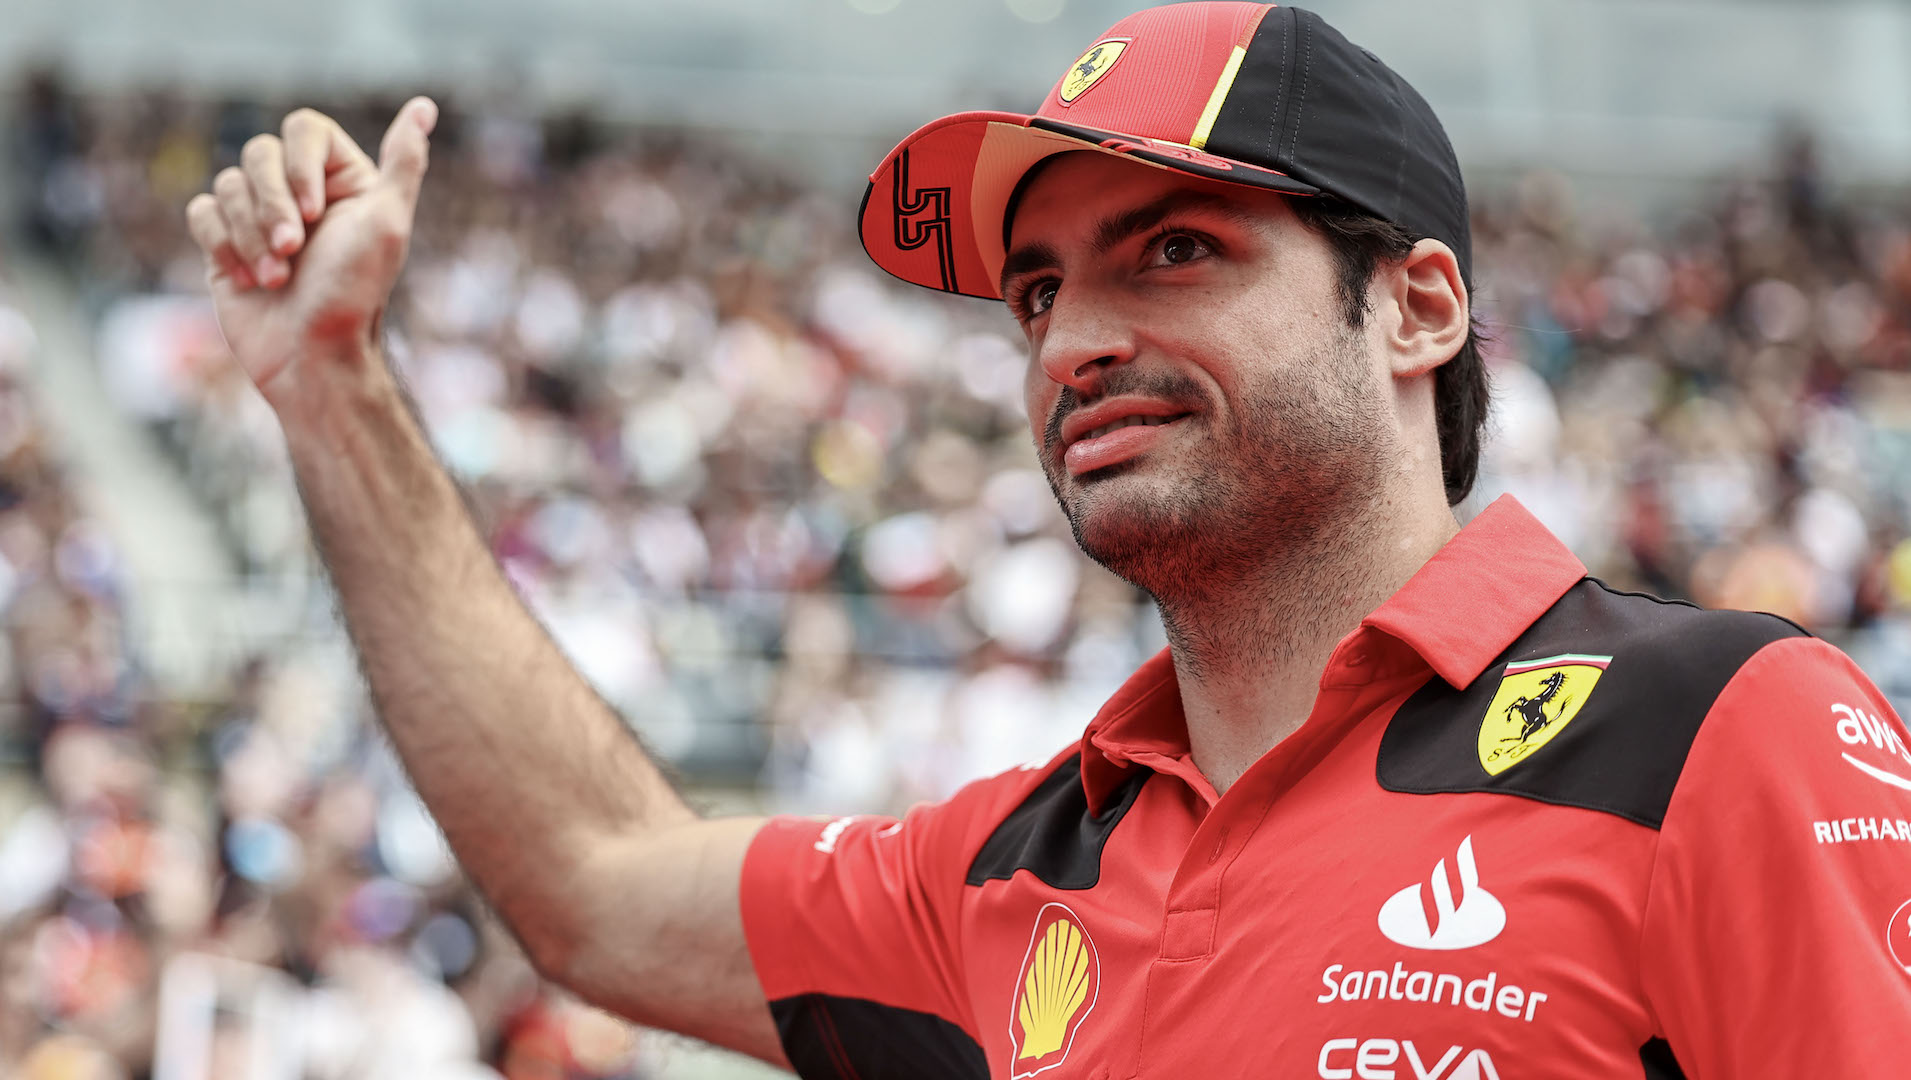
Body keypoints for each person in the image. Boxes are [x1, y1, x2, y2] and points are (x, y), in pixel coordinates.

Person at [184, 2, 1911, 1077]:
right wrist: (332, 391)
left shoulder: (1724, 728)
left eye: (1173, 252)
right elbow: (589, 879)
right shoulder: (1019, 865)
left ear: (1419, 306)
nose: (1072, 336)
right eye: (1035, 288)